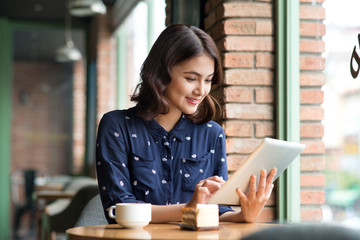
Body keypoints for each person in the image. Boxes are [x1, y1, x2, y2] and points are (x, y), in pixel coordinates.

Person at [96, 24, 277, 224]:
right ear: (161, 74)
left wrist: (244, 215)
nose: (201, 90)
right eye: (191, 78)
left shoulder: (212, 134)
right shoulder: (116, 126)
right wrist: (188, 209)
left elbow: (217, 209)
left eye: (208, 80)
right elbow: (117, 209)